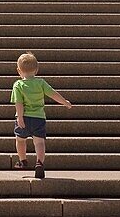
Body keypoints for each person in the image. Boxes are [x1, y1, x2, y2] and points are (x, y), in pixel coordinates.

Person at [11, 51, 73, 179]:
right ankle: (39, 162)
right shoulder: (41, 83)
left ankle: (23, 160)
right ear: (37, 70)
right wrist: (65, 102)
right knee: (39, 142)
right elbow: (53, 94)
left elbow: (19, 103)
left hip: (24, 118)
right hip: (38, 118)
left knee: (20, 140)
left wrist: (20, 117)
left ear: (19, 71)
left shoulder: (18, 85)